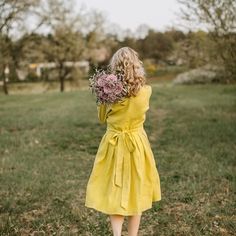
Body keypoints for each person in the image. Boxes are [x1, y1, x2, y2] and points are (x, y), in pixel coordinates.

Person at [85, 47, 161, 236]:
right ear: (137, 66)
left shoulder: (108, 94)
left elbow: (102, 118)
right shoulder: (146, 92)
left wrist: (103, 97)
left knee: (114, 191)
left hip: (114, 144)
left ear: (115, 67)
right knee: (137, 189)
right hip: (137, 144)